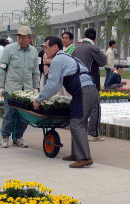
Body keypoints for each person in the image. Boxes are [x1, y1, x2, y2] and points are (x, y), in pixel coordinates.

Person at [33, 36, 98, 168]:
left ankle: (85, 157)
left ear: (55, 47)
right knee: (77, 121)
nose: (45, 50)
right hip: (88, 90)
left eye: (47, 47)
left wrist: (39, 99)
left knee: (76, 123)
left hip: (83, 91)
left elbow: (53, 85)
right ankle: (76, 154)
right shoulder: (68, 57)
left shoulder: (58, 59)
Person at [0, 25, 40, 148]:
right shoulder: (9, 49)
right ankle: (5, 136)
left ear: (29, 38)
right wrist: (0, 86)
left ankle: (18, 137)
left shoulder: (34, 51)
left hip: (27, 89)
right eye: (19, 37)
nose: (21, 40)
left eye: (24, 37)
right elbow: (3, 68)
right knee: (9, 114)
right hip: (11, 88)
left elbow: (36, 71)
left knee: (24, 116)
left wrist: (36, 87)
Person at [72, 28, 107, 142]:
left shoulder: (76, 48)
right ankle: (93, 133)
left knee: (81, 107)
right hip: (90, 82)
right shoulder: (92, 48)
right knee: (94, 107)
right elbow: (103, 61)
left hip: (77, 81)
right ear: (95, 38)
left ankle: (80, 133)